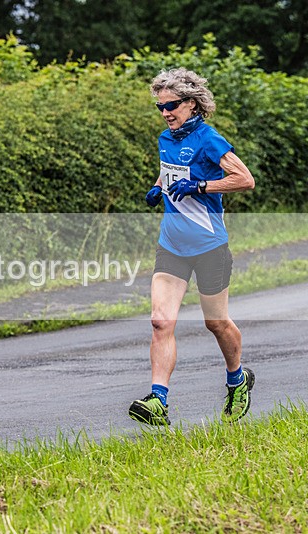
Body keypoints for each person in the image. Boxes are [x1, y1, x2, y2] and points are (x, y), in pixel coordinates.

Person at [129, 67, 256, 426]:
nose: (166, 113)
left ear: (192, 103)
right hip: (172, 244)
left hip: (209, 245)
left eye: (171, 106)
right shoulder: (165, 138)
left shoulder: (208, 138)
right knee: (159, 321)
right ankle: (158, 400)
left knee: (215, 322)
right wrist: (158, 186)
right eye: (160, 107)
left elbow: (244, 180)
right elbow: (169, 170)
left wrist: (201, 187)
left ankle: (237, 377)